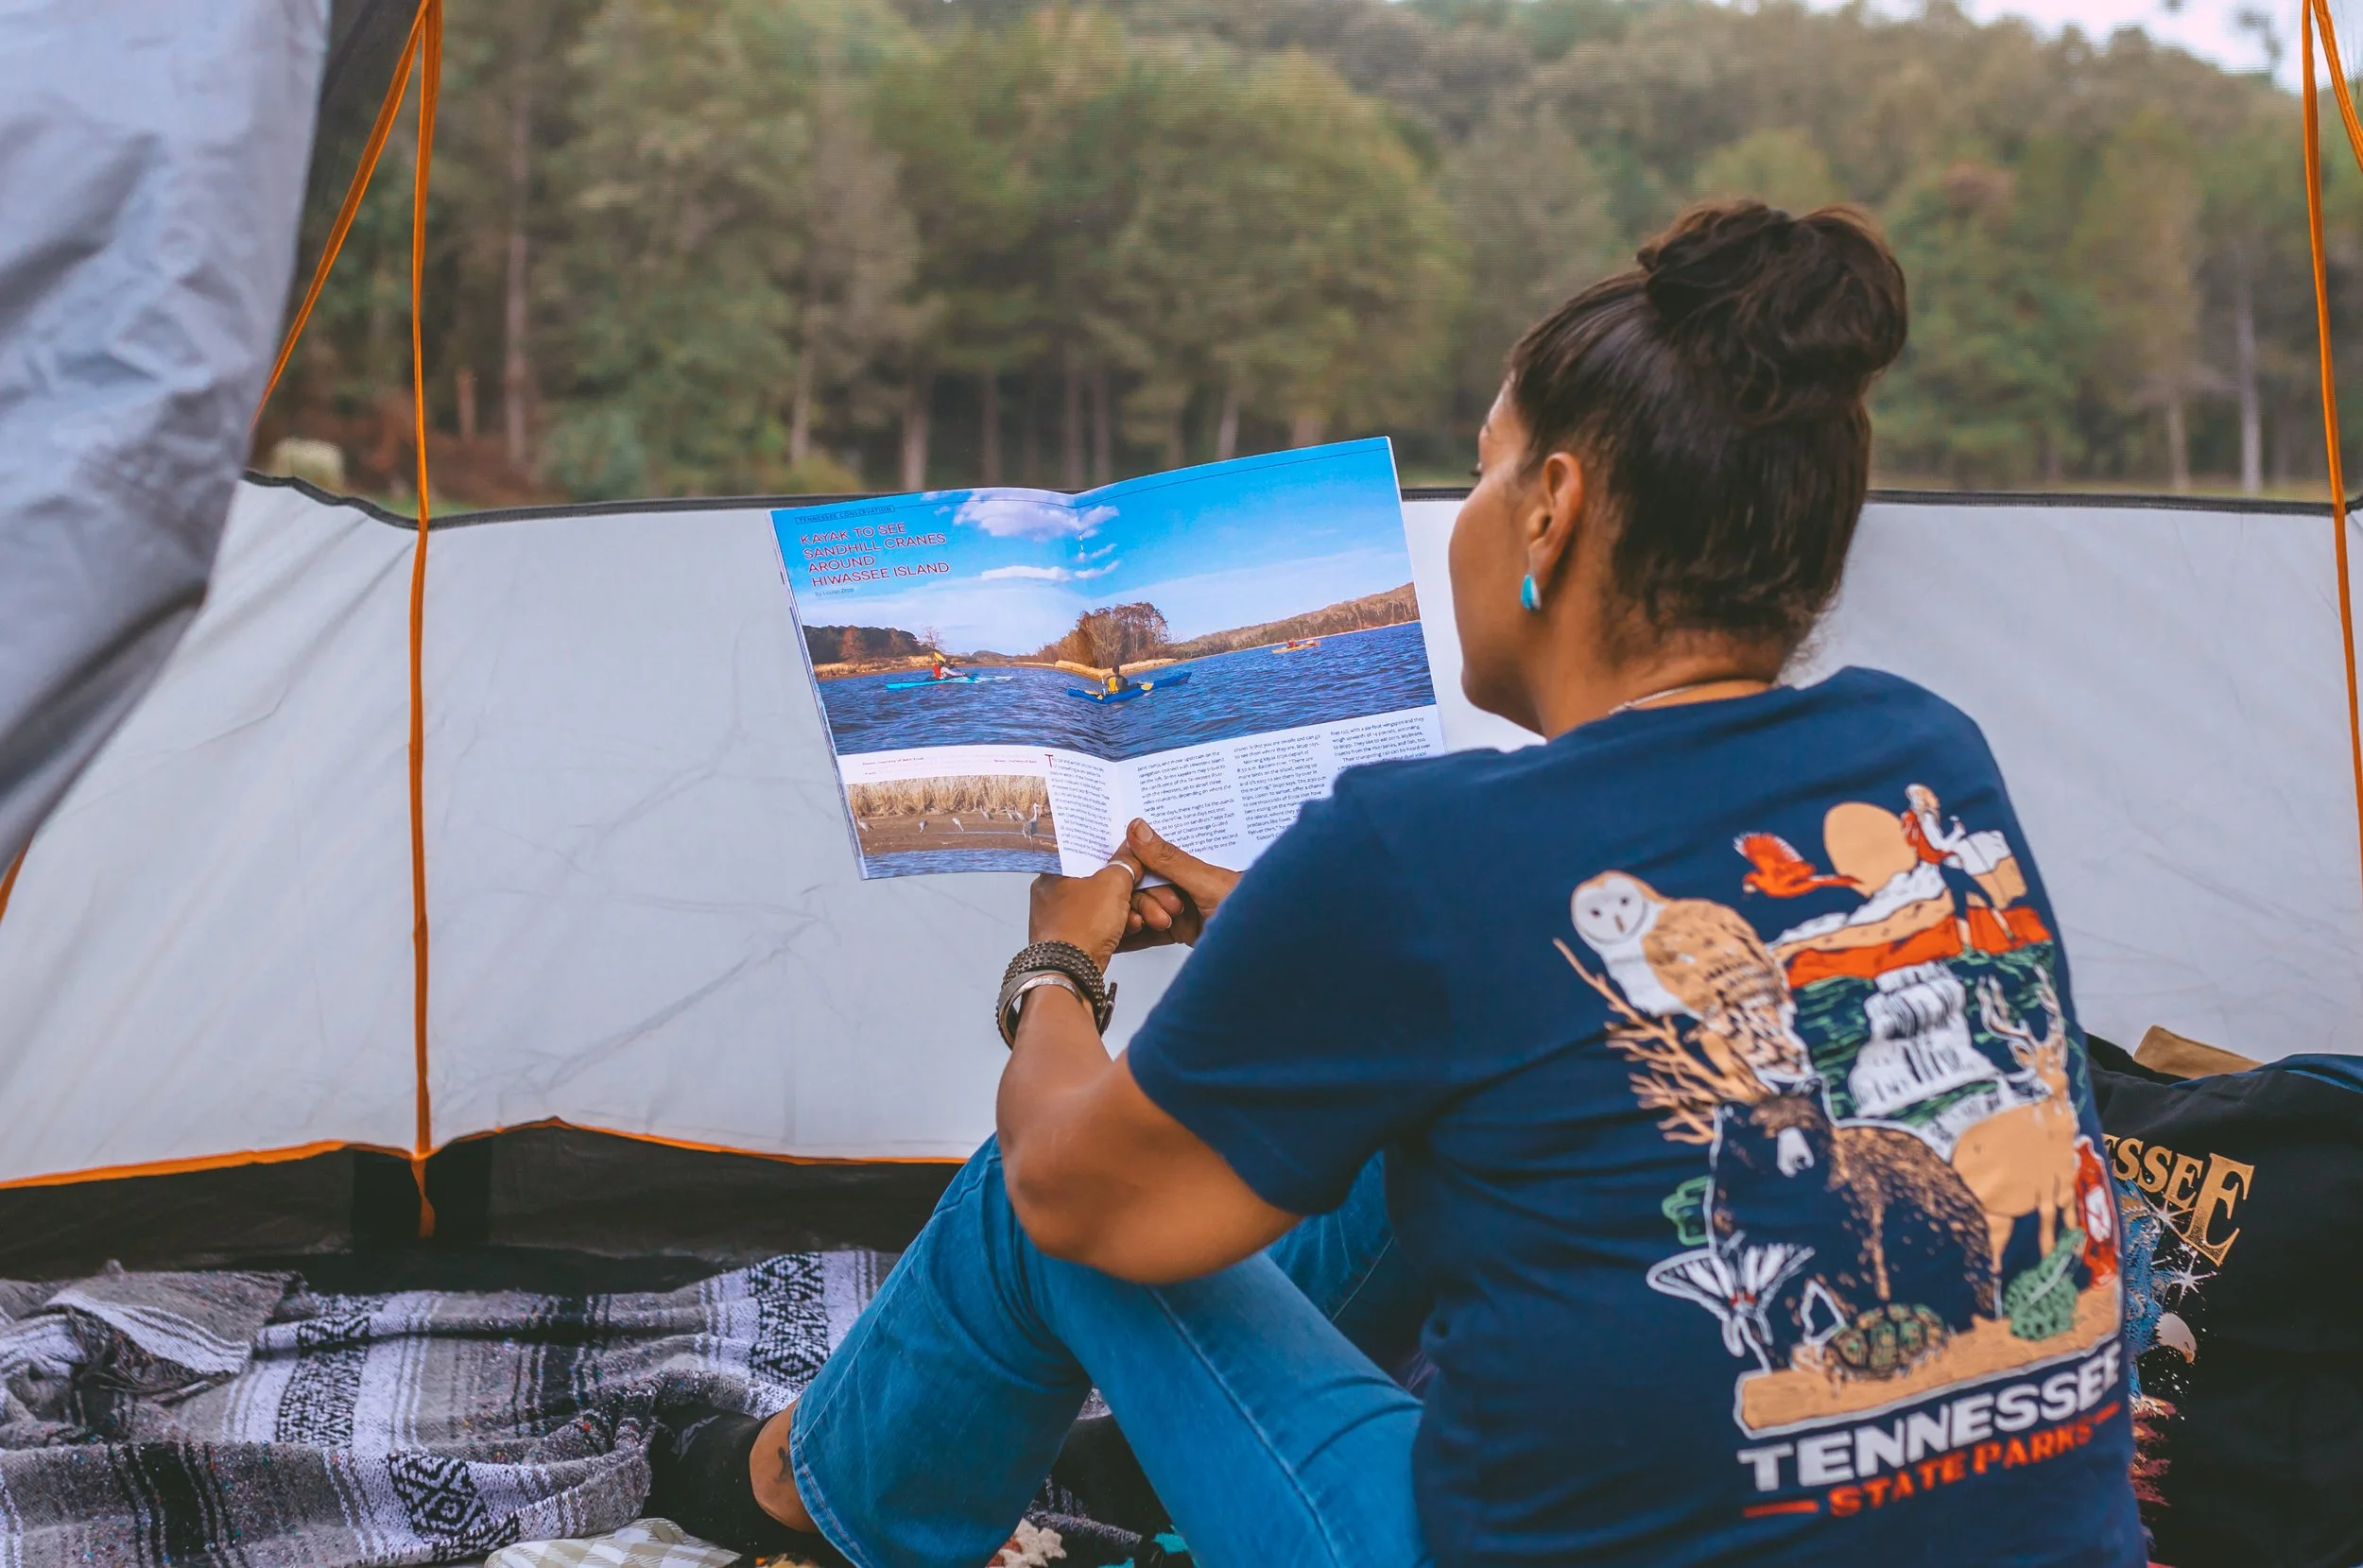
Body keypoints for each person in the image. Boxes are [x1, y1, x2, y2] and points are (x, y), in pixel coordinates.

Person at [652, 201, 2142, 1567]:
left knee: (1039, 1184)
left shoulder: (1417, 848)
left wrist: (1060, 967)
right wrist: (1278, 928)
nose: (1474, 517)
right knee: (1401, 1134)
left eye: (1487, 466)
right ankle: (1153, 1464)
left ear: (1552, 505)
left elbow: (1075, 1190)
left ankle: (808, 1497)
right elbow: (1575, 996)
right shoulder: (1926, 753)